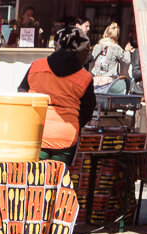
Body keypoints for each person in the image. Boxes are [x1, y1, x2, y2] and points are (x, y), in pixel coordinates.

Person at [19, 26, 95, 166]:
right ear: (80, 52)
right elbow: (87, 111)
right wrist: (76, 123)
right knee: (57, 180)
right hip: (66, 136)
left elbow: (22, 94)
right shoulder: (85, 77)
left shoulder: (36, 66)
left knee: (34, 180)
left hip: (36, 132)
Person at [89, 22, 131, 94]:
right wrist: (127, 51)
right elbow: (127, 60)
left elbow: (90, 59)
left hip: (96, 80)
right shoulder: (116, 48)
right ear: (117, 36)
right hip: (109, 82)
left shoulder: (98, 46)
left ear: (105, 34)